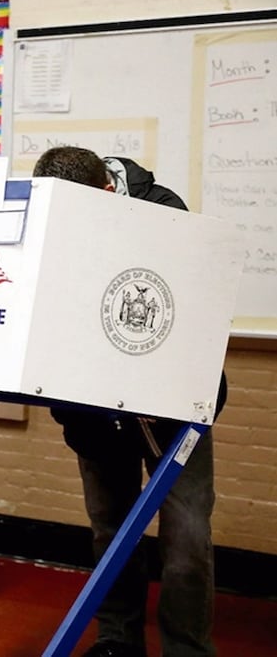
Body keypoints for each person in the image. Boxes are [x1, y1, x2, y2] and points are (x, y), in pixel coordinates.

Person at [33, 146, 228, 657]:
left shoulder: (164, 212)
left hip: (172, 406)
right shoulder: (47, 218)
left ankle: (186, 648)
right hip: (94, 409)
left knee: (186, 537)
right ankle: (118, 638)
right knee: (110, 530)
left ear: (105, 191)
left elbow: (192, 315)